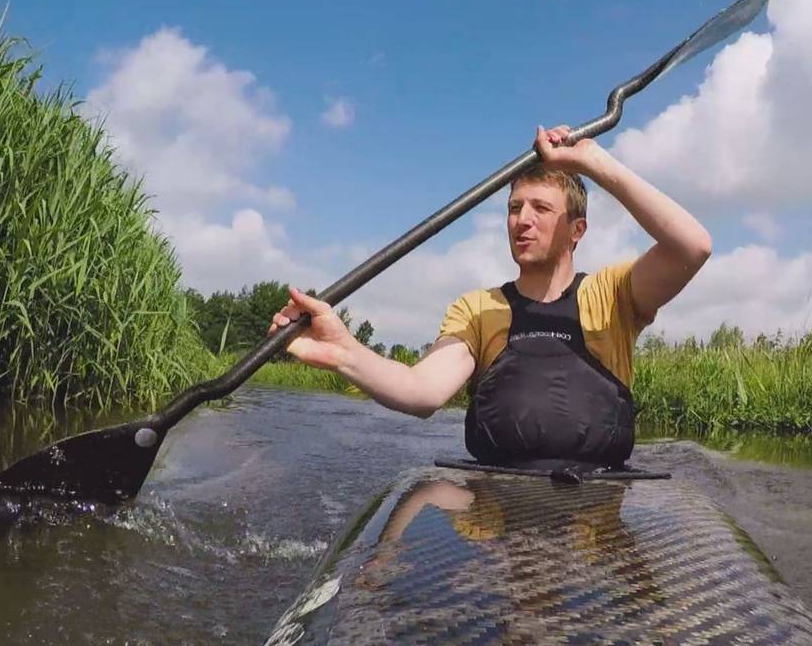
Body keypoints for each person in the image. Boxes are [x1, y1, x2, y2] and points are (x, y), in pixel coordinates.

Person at [269, 124, 711, 469]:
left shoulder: (612, 294)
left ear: (577, 230)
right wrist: (342, 351)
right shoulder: (478, 309)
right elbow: (422, 391)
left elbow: (692, 246)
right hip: (494, 504)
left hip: (596, 501)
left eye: (541, 208)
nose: (522, 220)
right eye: (514, 208)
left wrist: (594, 163)